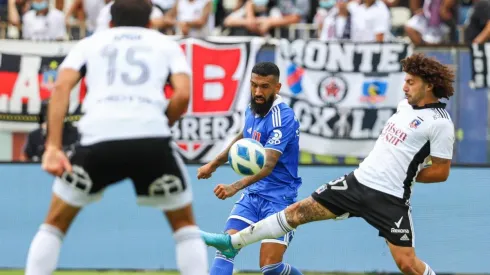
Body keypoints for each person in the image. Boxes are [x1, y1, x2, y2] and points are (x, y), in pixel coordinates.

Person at [201, 53, 456, 275]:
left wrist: (406, 176)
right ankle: (231, 243)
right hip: (357, 182)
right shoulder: (404, 107)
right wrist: (214, 164)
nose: (405, 87)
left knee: (408, 265)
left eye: (411, 82)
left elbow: (441, 171)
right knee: (296, 213)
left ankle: (231, 243)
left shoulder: (440, 123)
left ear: (430, 85)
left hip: (389, 198)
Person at [24, 0, 208, 274]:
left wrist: (52, 146)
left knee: (54, 224)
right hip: (151, 141)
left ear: (109, 21)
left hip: (98, 138)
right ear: (150, 22)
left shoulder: (90, 44)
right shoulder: (166, 45)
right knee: (185, 227)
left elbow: (61, 87)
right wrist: (160, 122)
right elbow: (182, 95)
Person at [197, 62, 304, 275]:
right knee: (226, 249)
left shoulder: (283, 117)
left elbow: (268, 164)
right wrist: (214, 164)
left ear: (277, 87)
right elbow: (244, 135)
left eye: (264, 86)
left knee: (270, 267)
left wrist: (233, 187)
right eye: (254, 85)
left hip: (279, 199)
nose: (257, 92)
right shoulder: (253, 108)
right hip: (253, 196)